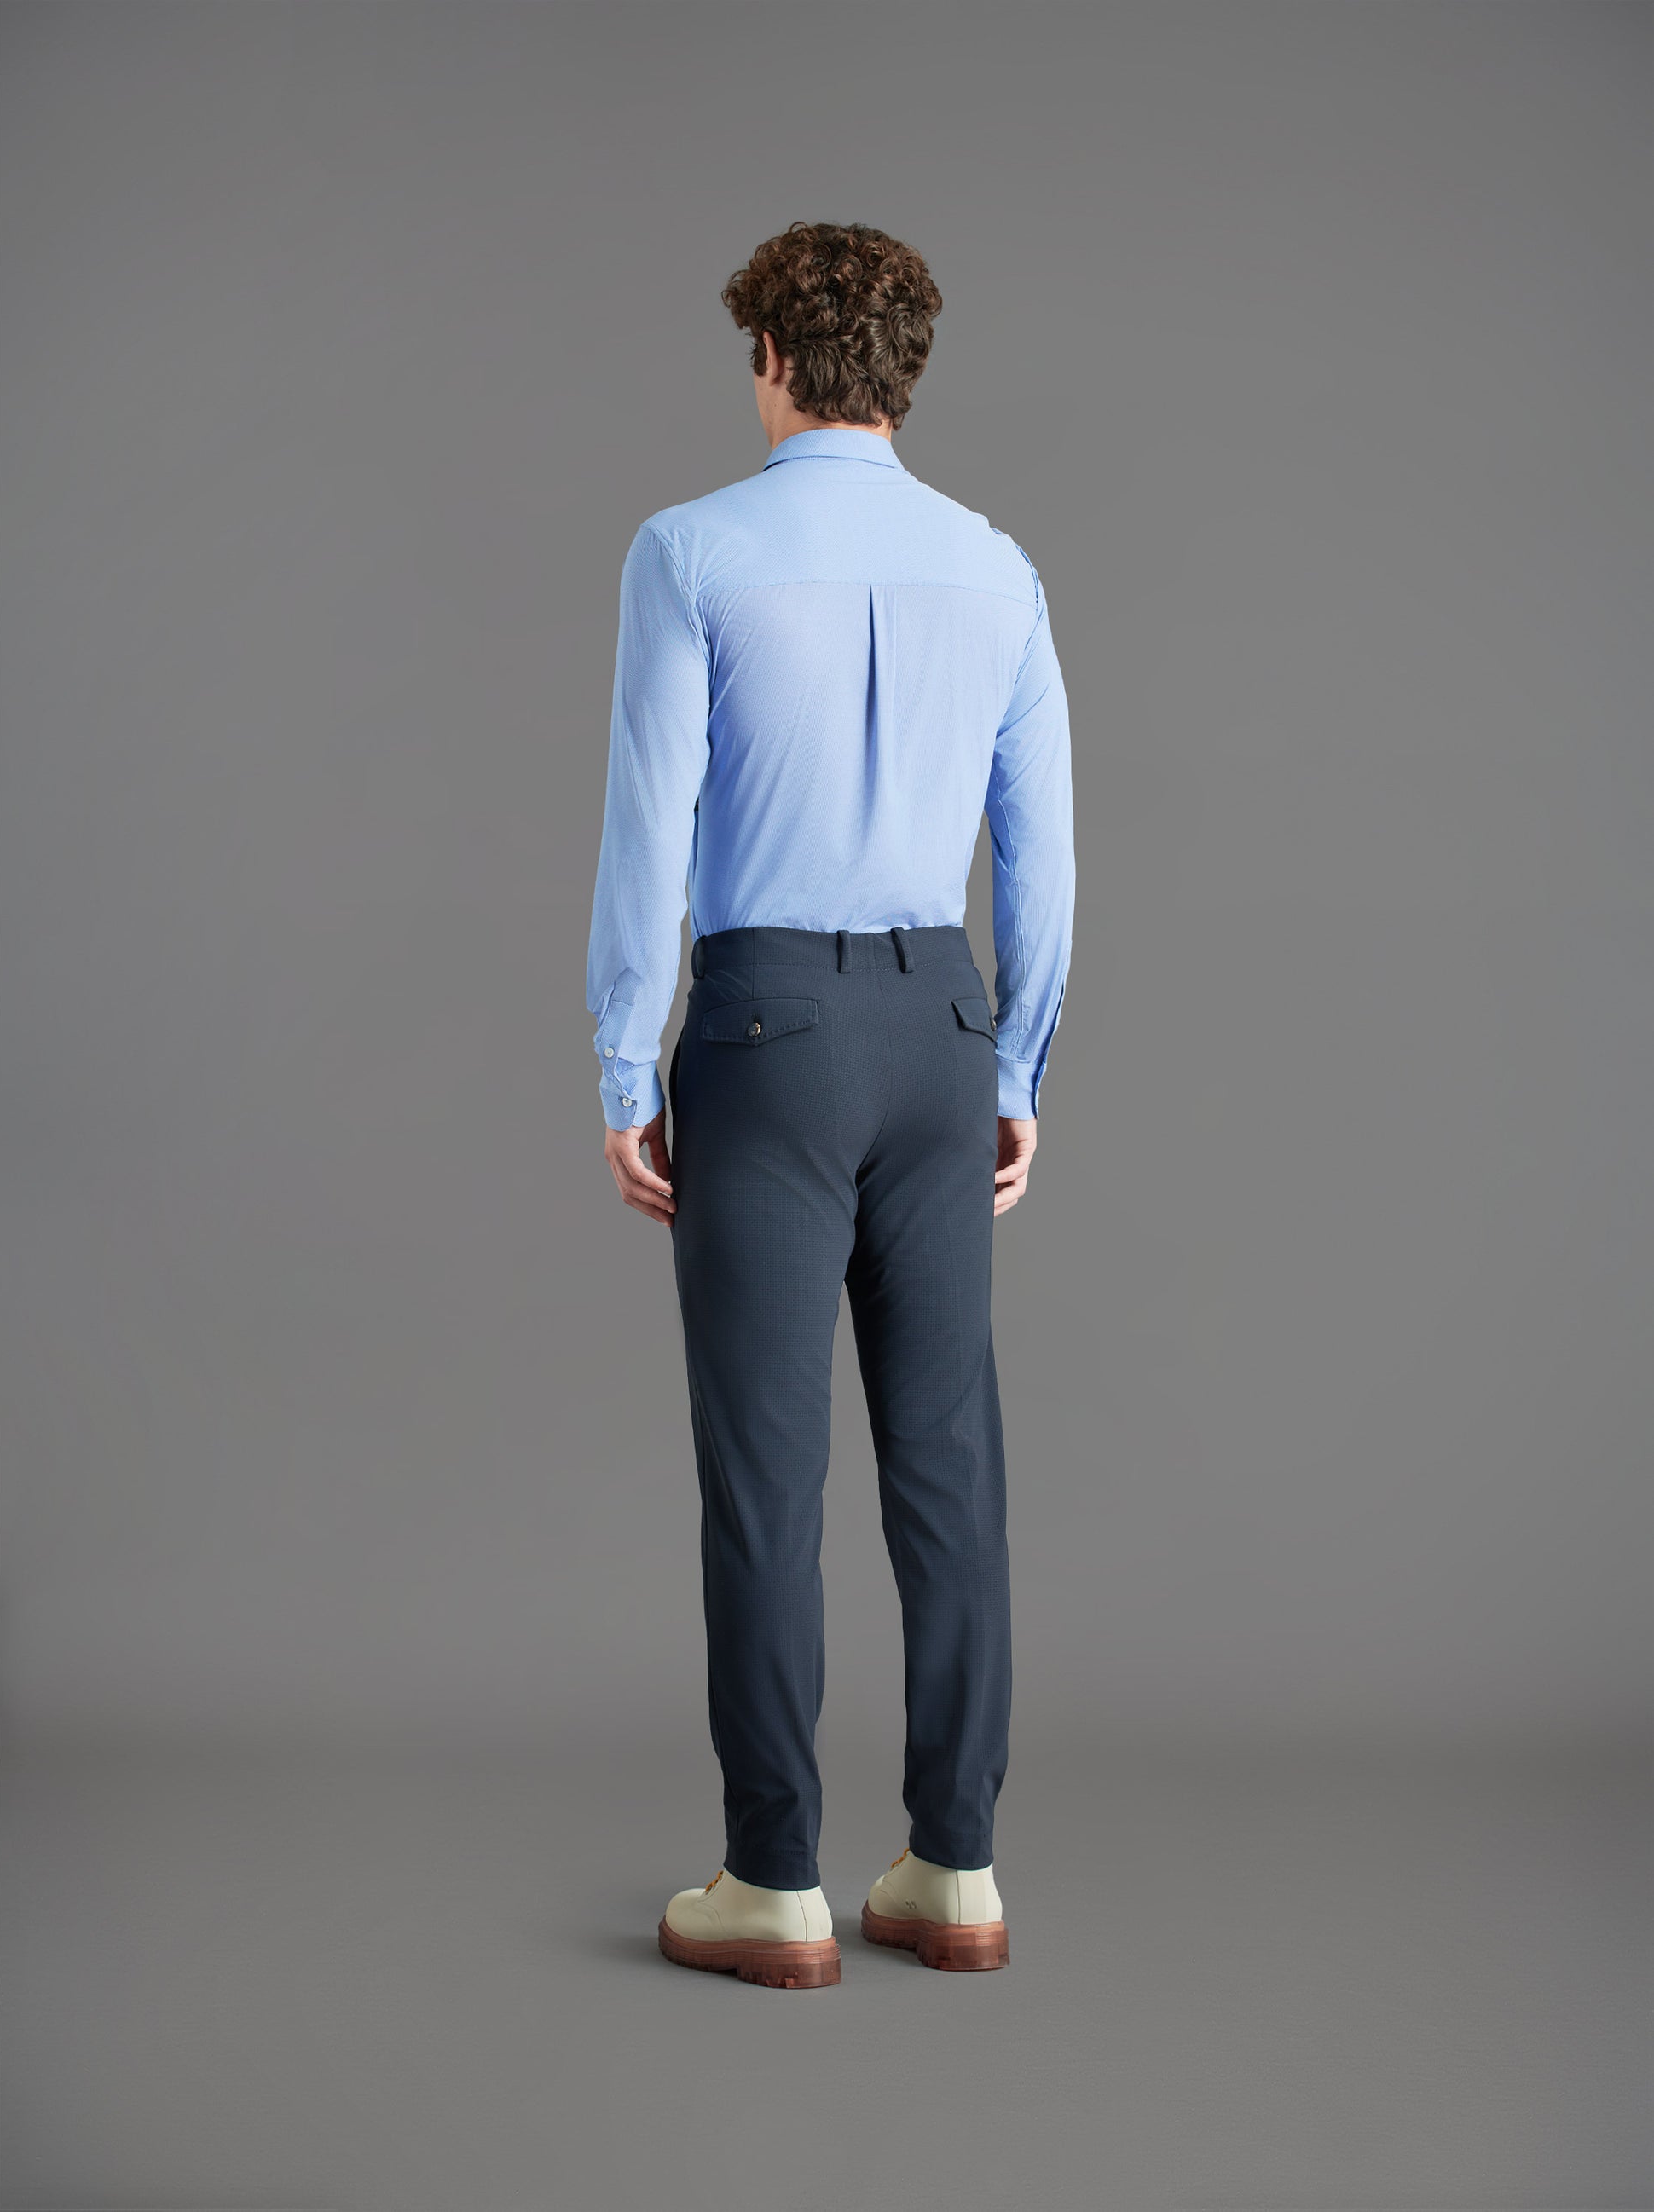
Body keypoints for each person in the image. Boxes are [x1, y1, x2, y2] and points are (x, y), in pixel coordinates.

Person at [585, 222, 1075, 1989]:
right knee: (946, 1464)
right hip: (938, 1023)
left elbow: (651, 825)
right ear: (902, 373)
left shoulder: (690, 550)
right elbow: (1041, 853)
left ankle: (774, 1879)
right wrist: (1013, 1068)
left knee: (765, 1471)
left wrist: (624, 1061)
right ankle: (955, 1867)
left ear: (774, 362)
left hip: (768, 1027)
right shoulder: (996, 569)